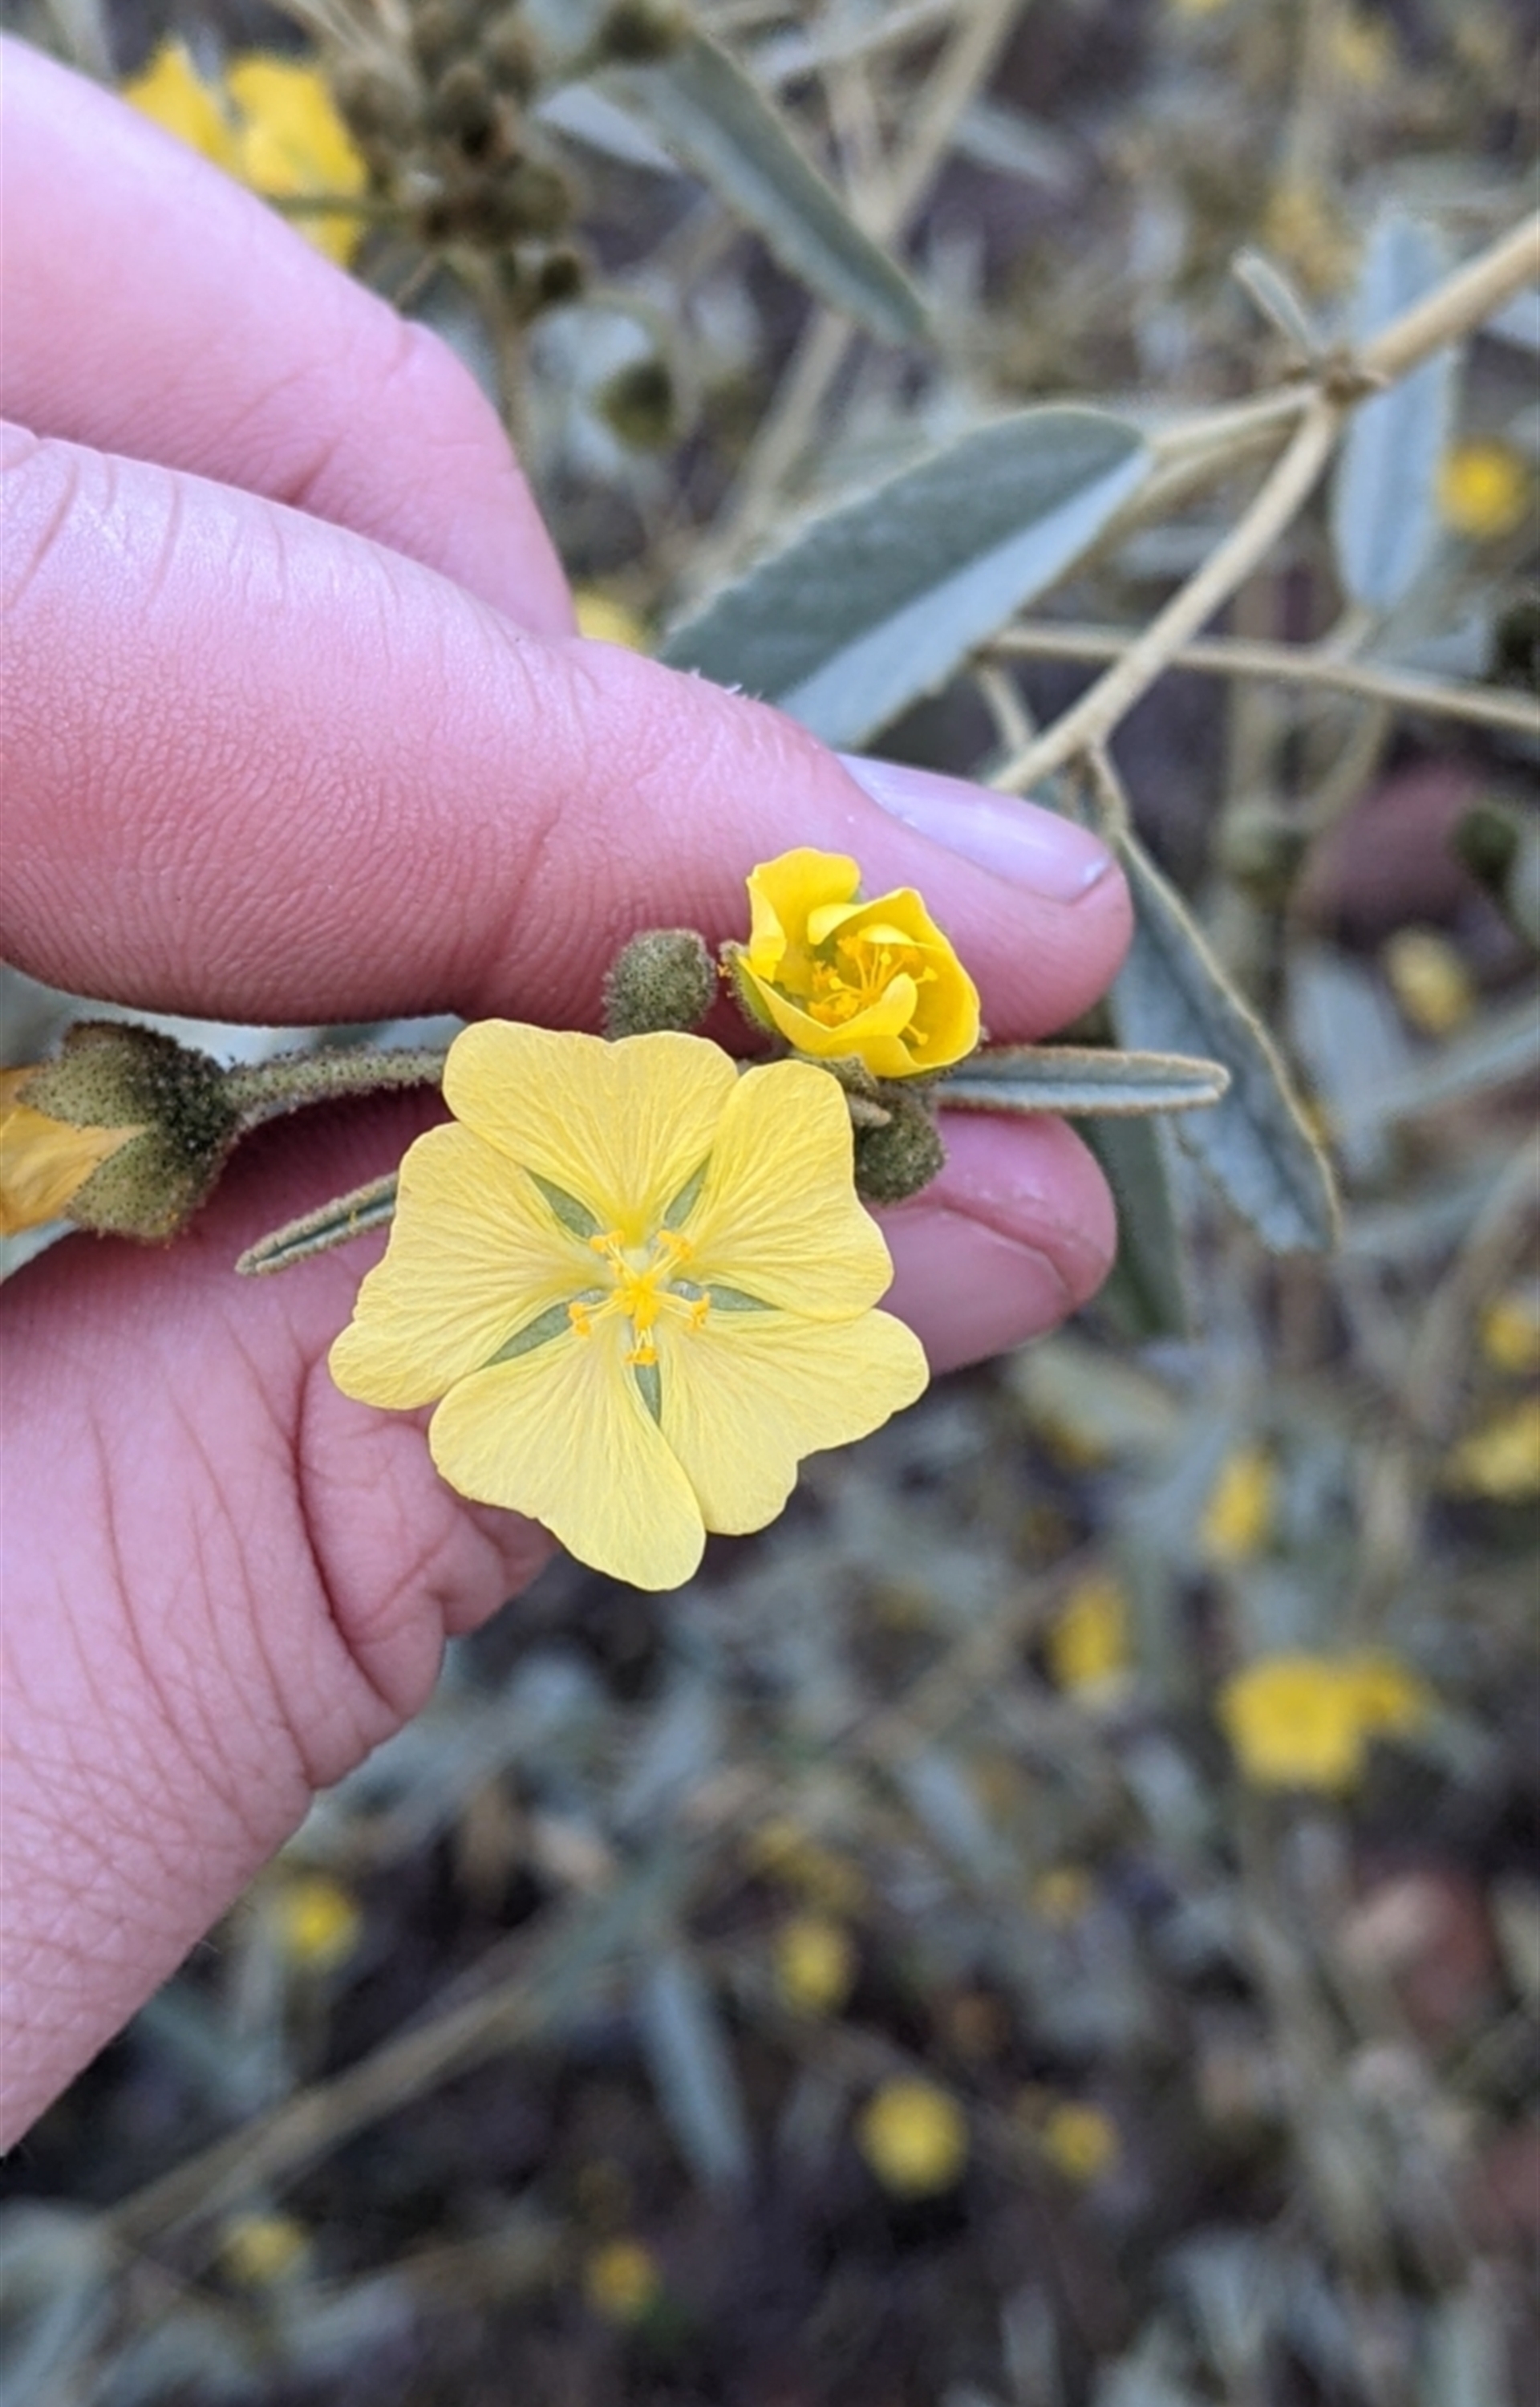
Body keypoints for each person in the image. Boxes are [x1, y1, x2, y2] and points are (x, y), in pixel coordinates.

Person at [0, 38, 1132, 2146]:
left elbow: (699, 1110)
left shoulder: (697, 1119)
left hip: (632, 1175)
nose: (642, 1280)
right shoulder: (646, 1104)